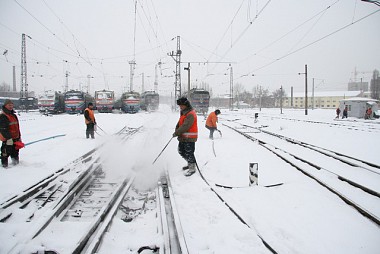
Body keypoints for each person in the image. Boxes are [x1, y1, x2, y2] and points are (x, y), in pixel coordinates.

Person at [173, 97, 198, 177]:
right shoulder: (184, 112)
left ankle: (192, 168)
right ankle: (190, 163)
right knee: (181, 151)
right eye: (179, 106)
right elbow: (180, 122)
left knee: (189, 152)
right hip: (183, 136)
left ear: (186, 105)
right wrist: (177, 129)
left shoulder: (191, 114)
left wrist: (177, 132)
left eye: (181, 105)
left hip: (190, 137)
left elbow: (185, 126)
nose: (180, 107)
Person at [0, 99, 22, 168]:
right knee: (5, 153)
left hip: (15, 138)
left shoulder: (14, 115)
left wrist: (19, 137)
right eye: (9, 105)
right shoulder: (3, 116)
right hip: (8, 139)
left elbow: (17, 127)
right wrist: (8, 138)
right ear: (5, 106)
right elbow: (3, 129)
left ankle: (16, 165)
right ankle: (4, 166)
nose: (11, 106)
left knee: (15, 152)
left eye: (12, 105)